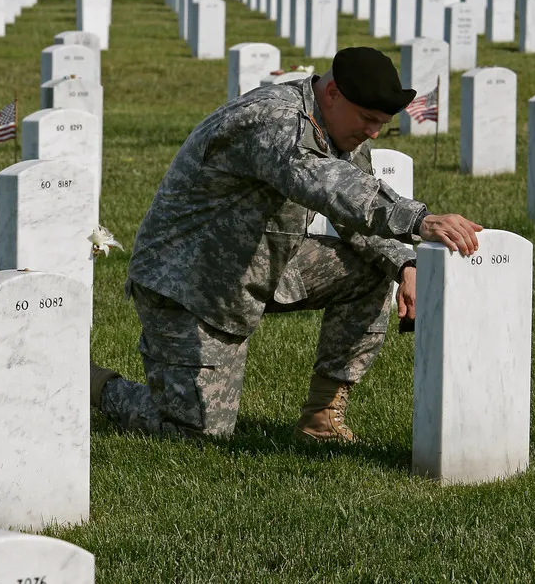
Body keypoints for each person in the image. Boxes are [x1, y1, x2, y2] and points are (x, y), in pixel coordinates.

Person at [90, 47, 482, 444]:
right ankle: (92, 384)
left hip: (264, 263)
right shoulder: (273, 119)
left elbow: (352, 215)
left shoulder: (341, 128)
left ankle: (322, 419)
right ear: (332, 94)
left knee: (370, 269)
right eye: (368, 119)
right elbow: (329, 186)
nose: (373, 133)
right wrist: (418, 220)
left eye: (382, 123)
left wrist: (403, 263)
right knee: (196, 433)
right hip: (190, 284)